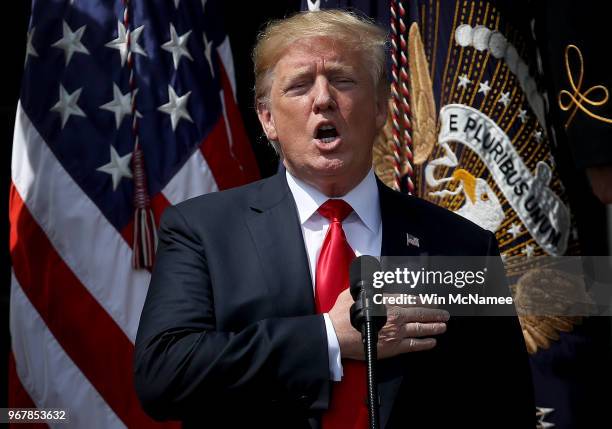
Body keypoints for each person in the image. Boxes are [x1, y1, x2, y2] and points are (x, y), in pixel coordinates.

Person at [134, 10, 534, 428]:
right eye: (299, 85)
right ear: (267, 118)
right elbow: (162, 375)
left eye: (343, 80)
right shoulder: (203, 230)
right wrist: (328, 338)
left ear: (381, 106)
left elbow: (505, 408)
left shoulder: (462, 247)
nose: (322, 98)